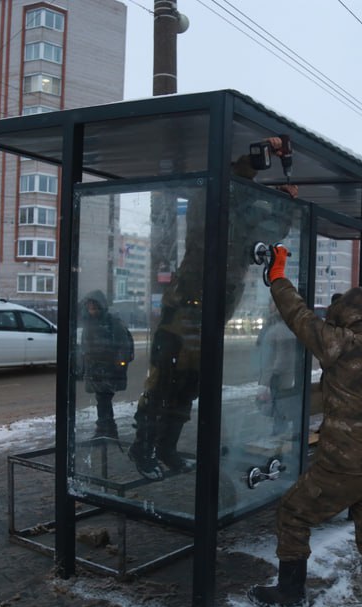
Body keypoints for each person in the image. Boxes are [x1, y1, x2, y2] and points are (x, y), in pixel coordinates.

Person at [248, 245, 362, 607]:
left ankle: (290, 592)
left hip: (345, 465)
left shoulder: (342, 345)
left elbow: (297, 314)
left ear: (347, 317)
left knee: (293, 511)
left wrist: (277, 276)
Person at [128, 137, 299, 480]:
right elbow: (233, 182)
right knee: (164, 383)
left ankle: (166, 449)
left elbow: (271, 229)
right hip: (184, 310)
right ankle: (142, 449)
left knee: (188, 385)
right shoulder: (207, 201)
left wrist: (285, 203)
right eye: (241, 193)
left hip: (213, 314)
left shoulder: (246, 221)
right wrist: (258, 157)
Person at [79, 291, 134, 439]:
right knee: (101, 399)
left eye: (95, 308)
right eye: (90, 308)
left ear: (101, 307)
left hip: (108, 369)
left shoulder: (113, 322)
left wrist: (119, 365)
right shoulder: (89, 324)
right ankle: (107, 429)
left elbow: (123, 345)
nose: (92, 311)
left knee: (103, 399)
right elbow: (85, 347)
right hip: (95, 370)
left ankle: (105, 429)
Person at [256, 300, 299, 435]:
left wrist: (275, 373)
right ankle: (278, 430)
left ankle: (278, 432)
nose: (270, 307)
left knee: (277, 404)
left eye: (273, 304)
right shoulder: (281, 327)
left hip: (277, 374)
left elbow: (283, 356)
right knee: (276, 404)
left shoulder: (280, 329)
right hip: (279, 373)